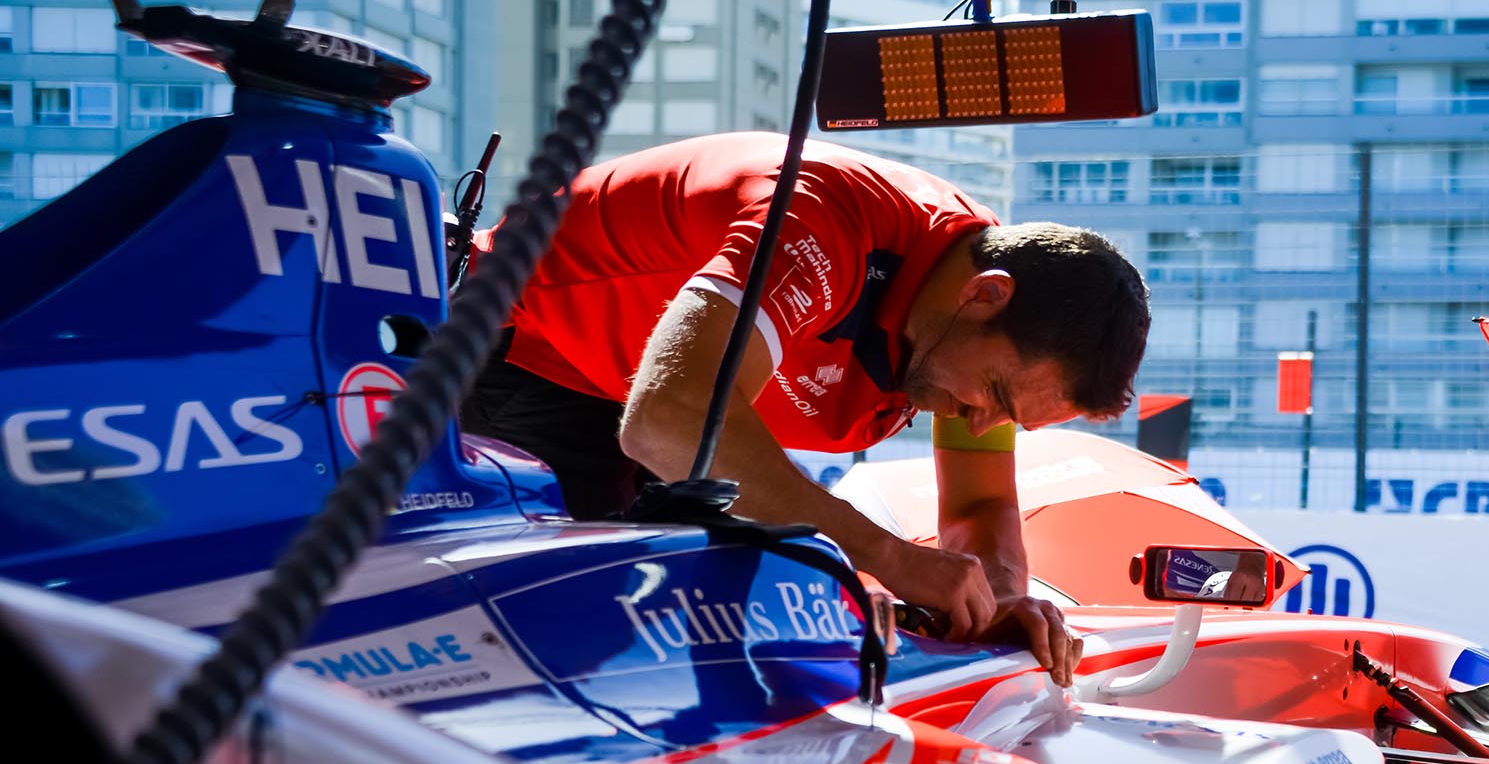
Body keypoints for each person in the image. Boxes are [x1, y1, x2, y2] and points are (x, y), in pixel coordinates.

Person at [460, 133, 1151, 684]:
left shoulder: (979, 306)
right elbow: (669, 419)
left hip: (654, 408)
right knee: (589, 646)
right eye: (995, 397)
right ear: (982, 296)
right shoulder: (823, 226)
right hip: (529, 351)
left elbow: (978, 511)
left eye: (1010, 421)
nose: (977, 427)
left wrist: (995, 605)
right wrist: (887, 555)